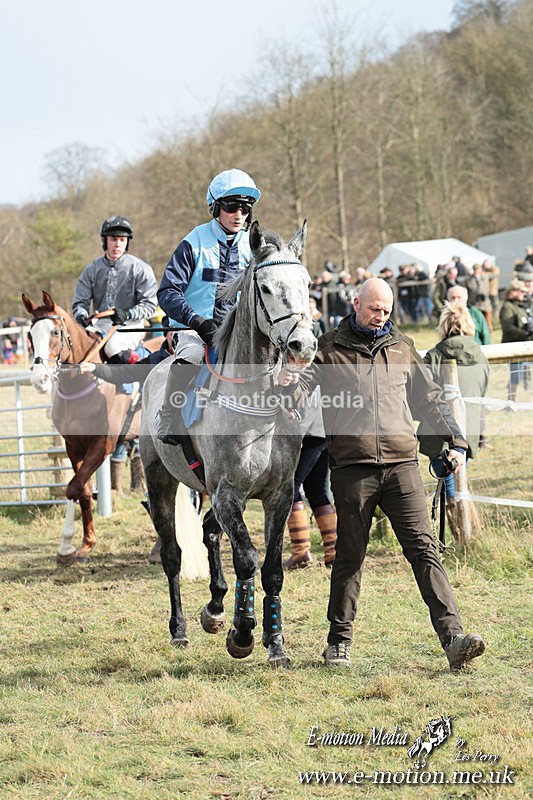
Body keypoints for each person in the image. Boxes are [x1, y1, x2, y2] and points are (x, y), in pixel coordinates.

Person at [302, 278, 485, 671]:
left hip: (403, 467)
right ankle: (338, 643)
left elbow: (429, 399)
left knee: (424, 550)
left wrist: (454, 441)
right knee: (350, 555)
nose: (380, 316)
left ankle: (453, 639)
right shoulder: (329, 348)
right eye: (373, 309)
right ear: (356, 304)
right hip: (353, 469)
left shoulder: (402, 348)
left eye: (385, 310)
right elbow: (299, 389)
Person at [155, 168, 261, 444]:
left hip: (236, 331)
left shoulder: (252, 247)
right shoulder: (193, 242)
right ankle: (169, 413)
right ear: (215, 207)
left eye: (245, 209)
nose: (239, 214)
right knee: (189, 355)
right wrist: (196, 321)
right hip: (194, 329)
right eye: (231, 207)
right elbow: (167, 292)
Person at [417, 302, 489, 534]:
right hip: (468, 429)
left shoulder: (434, 356)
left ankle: (460, 531)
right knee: (459, 478)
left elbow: (420, 395)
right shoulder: (480, 354)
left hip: (440, 431)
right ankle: (466, 530)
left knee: (447, 480)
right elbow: (483, 390)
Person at [283, 311, 337, 570]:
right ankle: (332, 552)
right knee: (318, 490)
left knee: (292, 487)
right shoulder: (314, 346)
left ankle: (301, 552)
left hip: (309, 428)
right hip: (324, 426)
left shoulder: (297, 352)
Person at [72, 216, 158, 364]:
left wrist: (128, 314)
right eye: (113, 239)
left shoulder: (141, 269)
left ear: (127, 242)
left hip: (131, 325)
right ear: (104, 240)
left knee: (113, 347)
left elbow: (150, 305)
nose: (117, 244)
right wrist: (81, 315)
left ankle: (140, 372)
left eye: (122, 240)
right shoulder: (91, 270)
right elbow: (80, 302)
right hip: (99, 325)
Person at [499, 279, 533, 401]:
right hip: (512, 347)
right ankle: (511, 402)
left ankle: (525, 396)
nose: (524, 294)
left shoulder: (522, 306)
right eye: (522, 291)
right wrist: (526, 333)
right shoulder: (508, 307)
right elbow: (508, 327)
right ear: (513, 291)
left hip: (524, 345)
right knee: (515, 376)